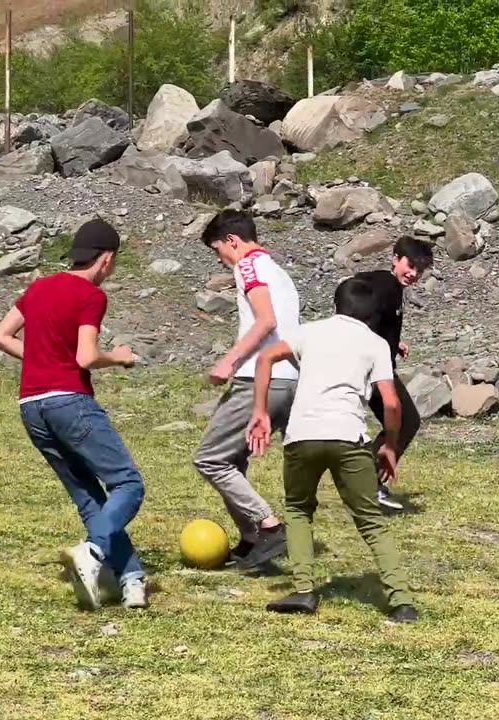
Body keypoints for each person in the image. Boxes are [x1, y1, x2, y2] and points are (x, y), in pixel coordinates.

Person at [0, 218, 148, 611]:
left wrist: (43, 357)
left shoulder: (40, 286)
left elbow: (0, 336)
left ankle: (131, 581)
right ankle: (93, 552)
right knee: (128, 484)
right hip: (68, 402)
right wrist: (121, 358)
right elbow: (87, 357)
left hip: (31, 407)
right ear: (106, 259)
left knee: (89, 498)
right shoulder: (90, 294)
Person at [246, 277, 419, 623]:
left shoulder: (310, 332)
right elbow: (391, 402)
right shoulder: (374, 342)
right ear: (371, 315)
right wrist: (389, 445)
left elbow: (265, 357)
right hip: (348, 436)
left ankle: (304, 590)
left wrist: (260, 412)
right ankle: (401, 601)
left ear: (335, 305)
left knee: (297, 509)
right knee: (370, 520)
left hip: (302, 435)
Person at [193, 209, 301, 569]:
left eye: (217, 250)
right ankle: (252, 540)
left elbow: (266, 320)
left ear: (232, 241)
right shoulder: (279, 271)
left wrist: (230, 361)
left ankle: (269, 526)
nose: (221, 259)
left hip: (260, 377)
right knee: (232, 460)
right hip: (287, 379)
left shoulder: (249, 266)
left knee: (209, 457)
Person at [353, 236, 435, 510]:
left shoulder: (392, 287)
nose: (413, 274)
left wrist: (393, 342)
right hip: (373, 370)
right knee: (406, 420)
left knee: (403, 422)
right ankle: (368, 486)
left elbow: (378, 320)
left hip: (380, 365)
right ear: (395, 259)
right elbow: (361, 312)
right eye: (410, 266)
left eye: (419, 271)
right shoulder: (384, 285)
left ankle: (366, 484)